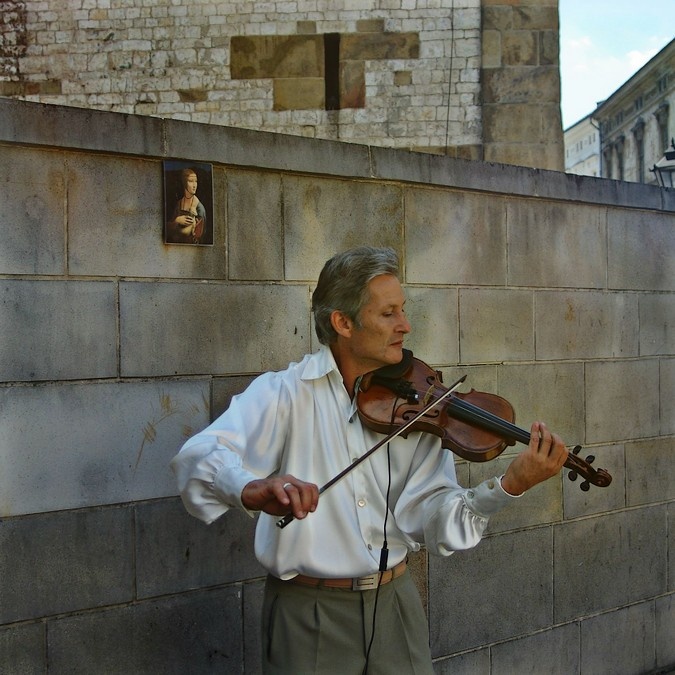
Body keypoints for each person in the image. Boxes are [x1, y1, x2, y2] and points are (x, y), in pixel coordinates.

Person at [170, 246, 568, 674]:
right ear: (343, 323)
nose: (405, 325)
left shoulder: (418, 405)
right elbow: (199, 455)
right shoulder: (284, 393)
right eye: (388, 313)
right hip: (307, 614)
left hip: (395, 605)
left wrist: (507, 487)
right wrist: (249, 488)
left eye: (403, 310)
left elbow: (435, 521)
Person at [167, 168, 206, 244]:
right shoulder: (179, 204)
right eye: (191, 181)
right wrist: (177, 220)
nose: (194, 185)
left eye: (196, 181)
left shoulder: (199, 208)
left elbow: (199, 237)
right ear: (184, 183)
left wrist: (193, 227)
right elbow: (169, 233)